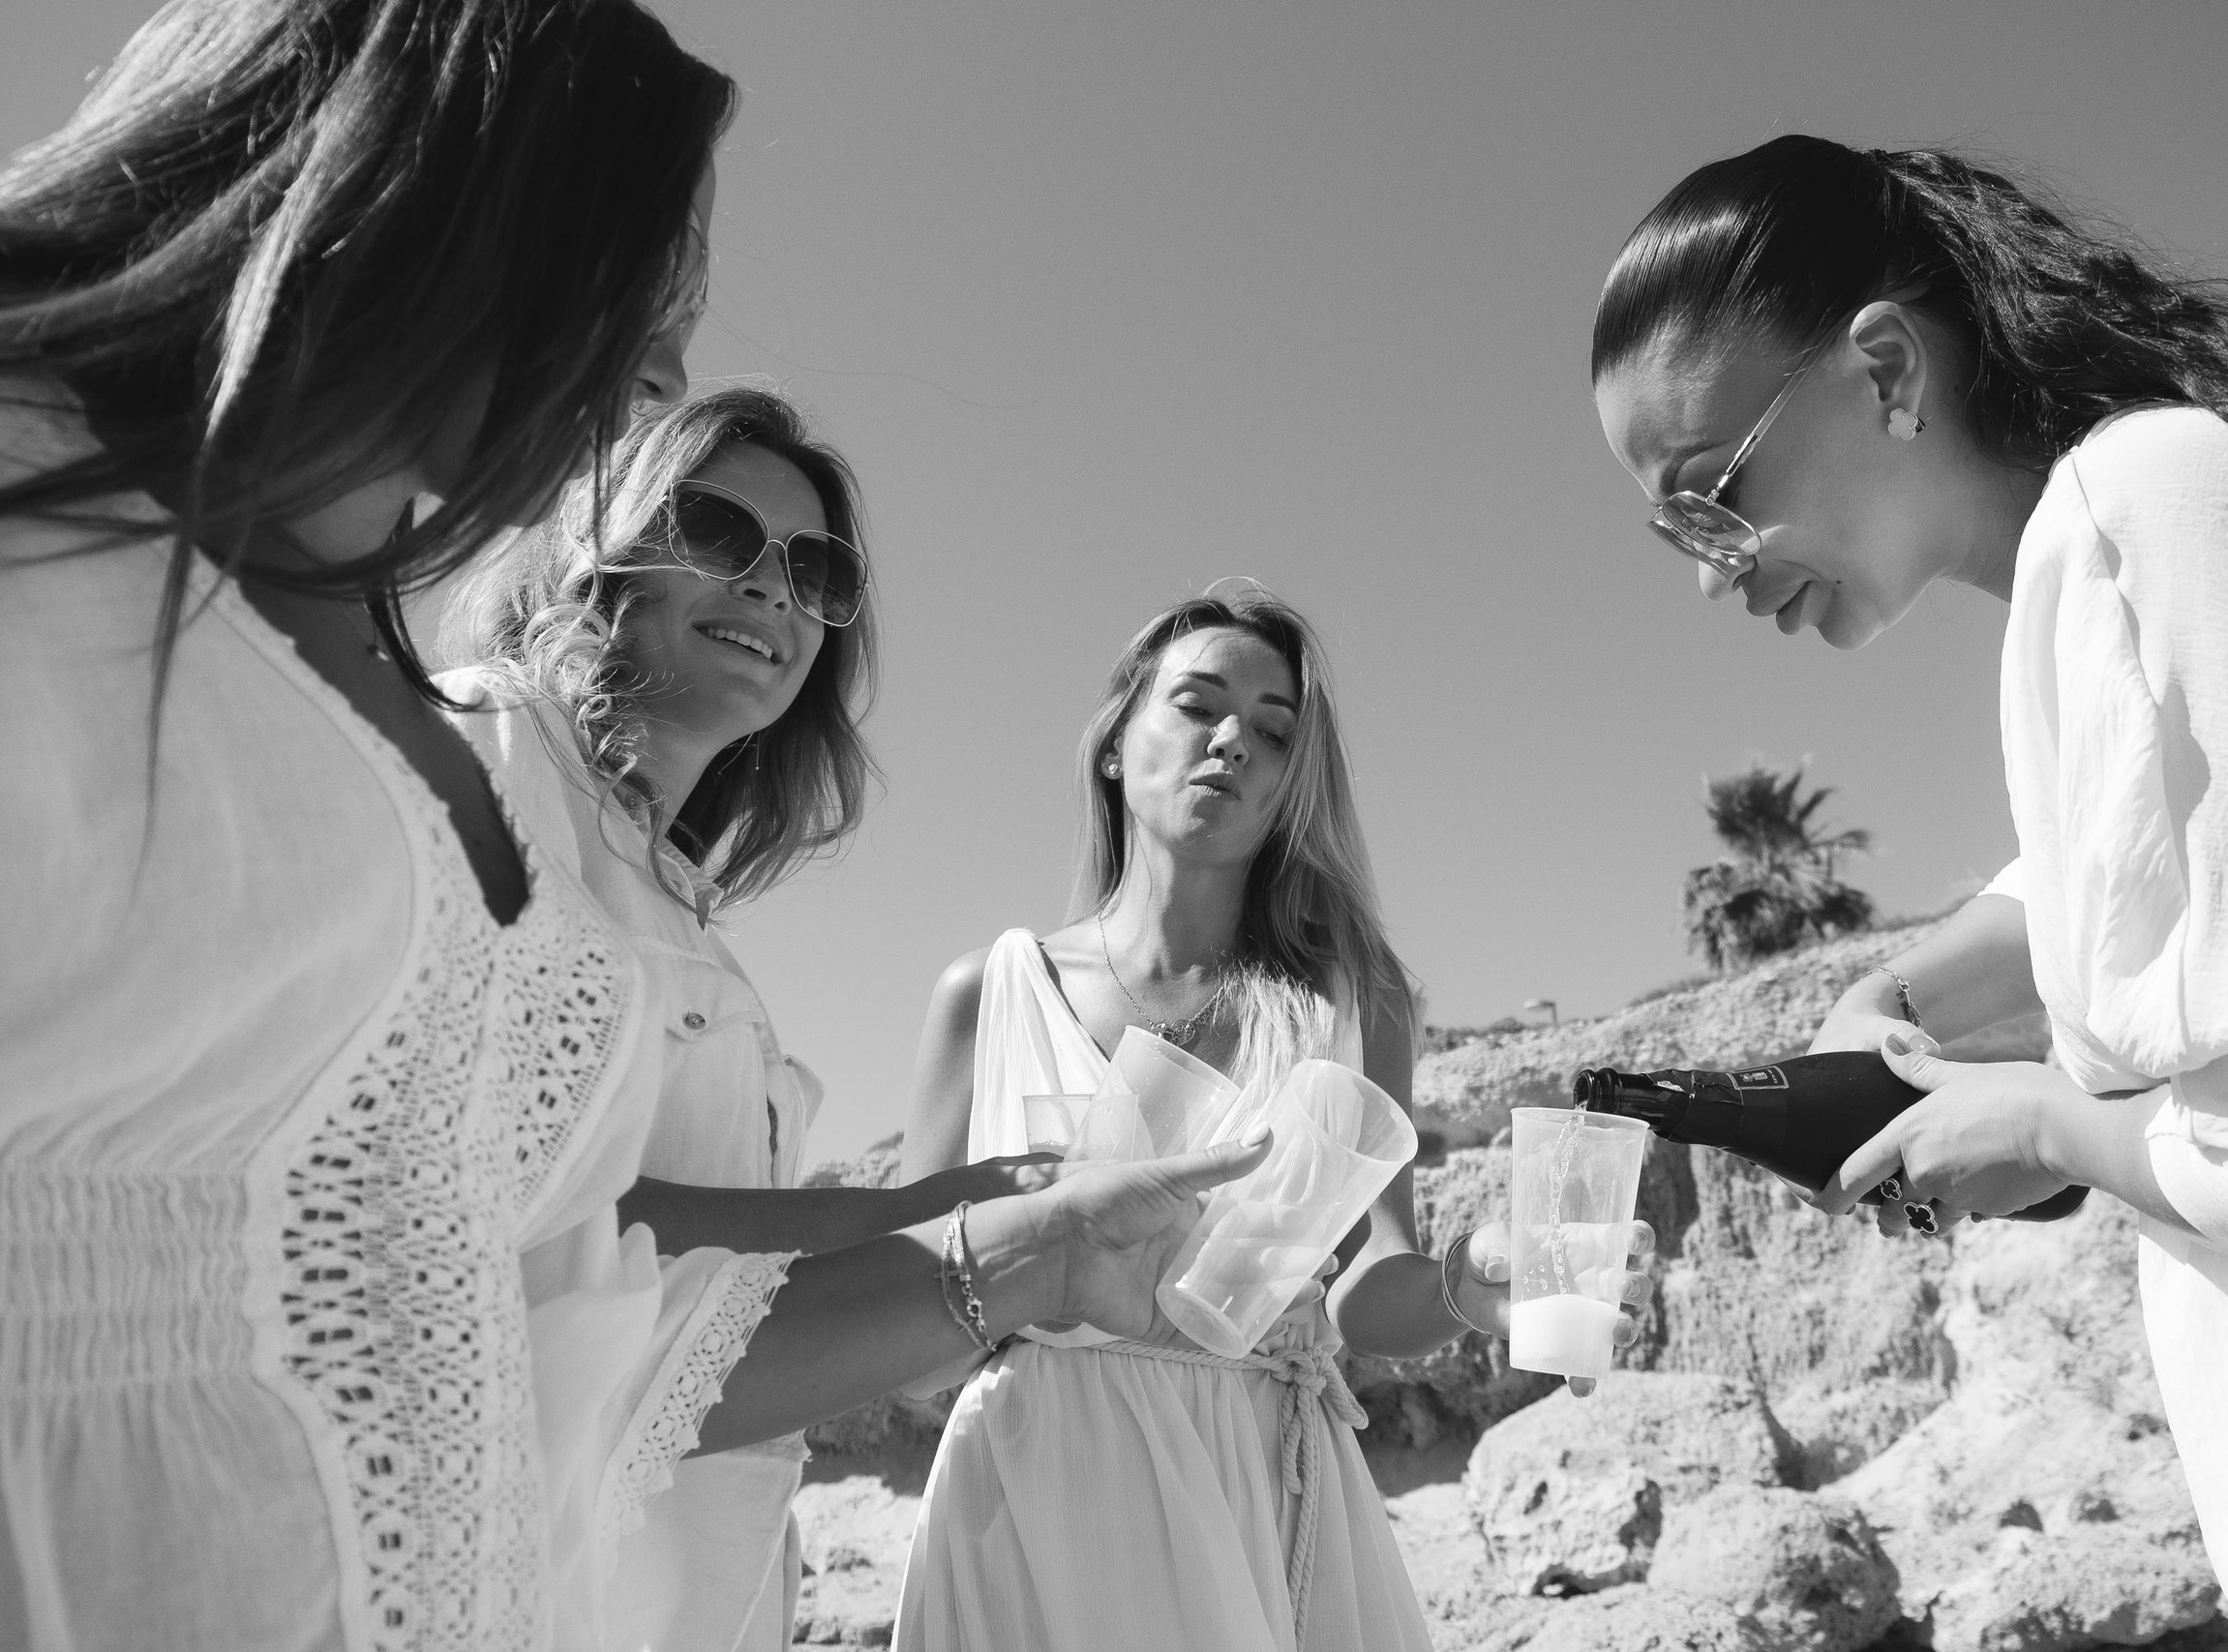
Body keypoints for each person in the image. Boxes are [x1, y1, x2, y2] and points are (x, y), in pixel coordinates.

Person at [0, 6, 1268, 1648]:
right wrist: (959, 1231)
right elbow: (546, 1251)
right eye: (718, 529)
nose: (659, 367)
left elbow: (525, 1284)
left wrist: (1013, 1238)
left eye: (816, 572)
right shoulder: (411, 734)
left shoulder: (553, 828)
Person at [1590, 134, 2228, 1650]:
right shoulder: (2154, 506)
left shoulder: (2135, 511)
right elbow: (2112, 861)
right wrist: (1894, 992)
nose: (1710, 570)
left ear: (1884, 370)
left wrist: (2039, 1125)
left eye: (1712, 498)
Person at [893, 587, 1652, 1652]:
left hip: (1254, 1478)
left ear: (1295, 780)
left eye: (1274, 728)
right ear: (1112, 744)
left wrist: (1462, 1284)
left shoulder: (1354, 1001)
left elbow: (1366, 1293)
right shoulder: (989, 991)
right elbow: (900, 1332)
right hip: (1025, 1488)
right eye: (1196, 704)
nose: (1232, 739)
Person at [444, 384, 1054, 1652]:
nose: (775, 587)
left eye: (817, 571)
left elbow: (693, 1284)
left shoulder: (682, 910)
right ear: (605, 545)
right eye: (720, 532)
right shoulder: (493, 754)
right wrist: (919, 1224)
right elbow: (516, 1210)